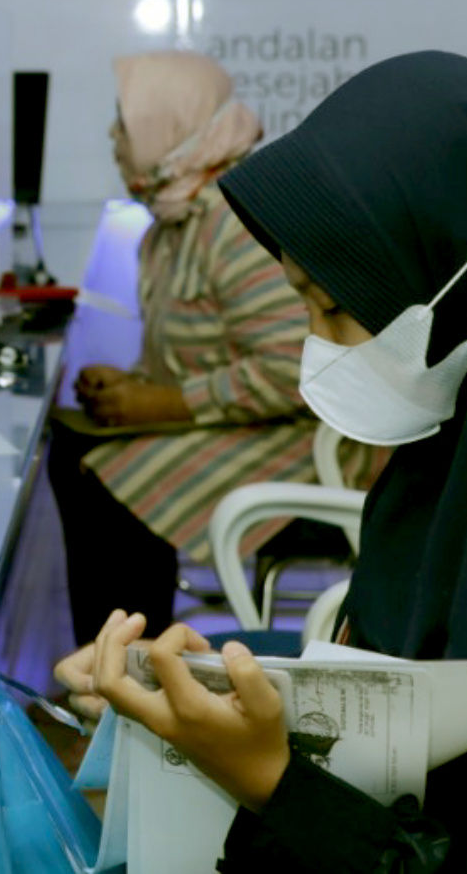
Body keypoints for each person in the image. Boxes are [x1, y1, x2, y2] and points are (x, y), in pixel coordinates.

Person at [59, 51, 467, 872]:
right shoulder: (452, 465)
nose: (318, 348)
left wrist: (275, 779)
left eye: (337, 309)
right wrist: (194, 697)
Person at [50, 51, 356, 641]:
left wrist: (160, 404)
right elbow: (196, 355)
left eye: (125, 123)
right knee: (73, 450)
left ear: (169, 126)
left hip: (302, 442)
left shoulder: (237, 219)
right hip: (240, 423)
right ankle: (119, 672)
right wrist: (128, 386)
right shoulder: (174, 218)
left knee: (110, 483)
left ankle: (129, 678)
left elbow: (297, 369)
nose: (114, 138)